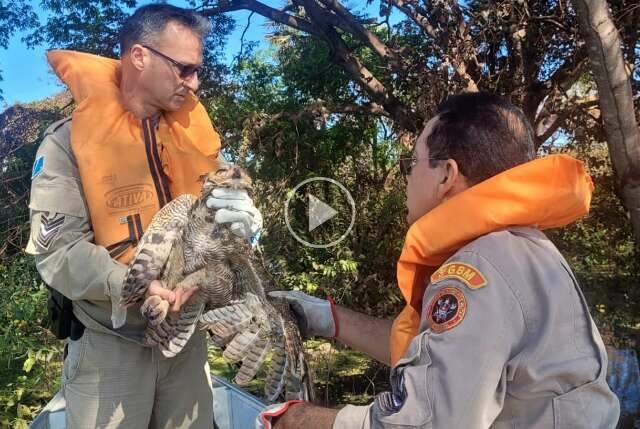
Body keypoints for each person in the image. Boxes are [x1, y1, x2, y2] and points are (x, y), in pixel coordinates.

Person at [262, 93, 620, 428]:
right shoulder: (519, 249)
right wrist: (329, 319)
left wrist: (299, 419)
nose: (407, 178)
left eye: (412, 163)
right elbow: (434, 351)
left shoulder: (479, 268)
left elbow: (430, 421)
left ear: (446, 175)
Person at [26, 4, 261, 428]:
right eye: (184, 69)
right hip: (109, 347)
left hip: (186, 345)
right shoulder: (66, 144)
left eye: (197, 70)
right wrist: (135, 285)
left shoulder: (197, 141)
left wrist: (247, 226)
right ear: (139, 56)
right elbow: (57, 254)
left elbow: (226, 231)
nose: (195, 82)